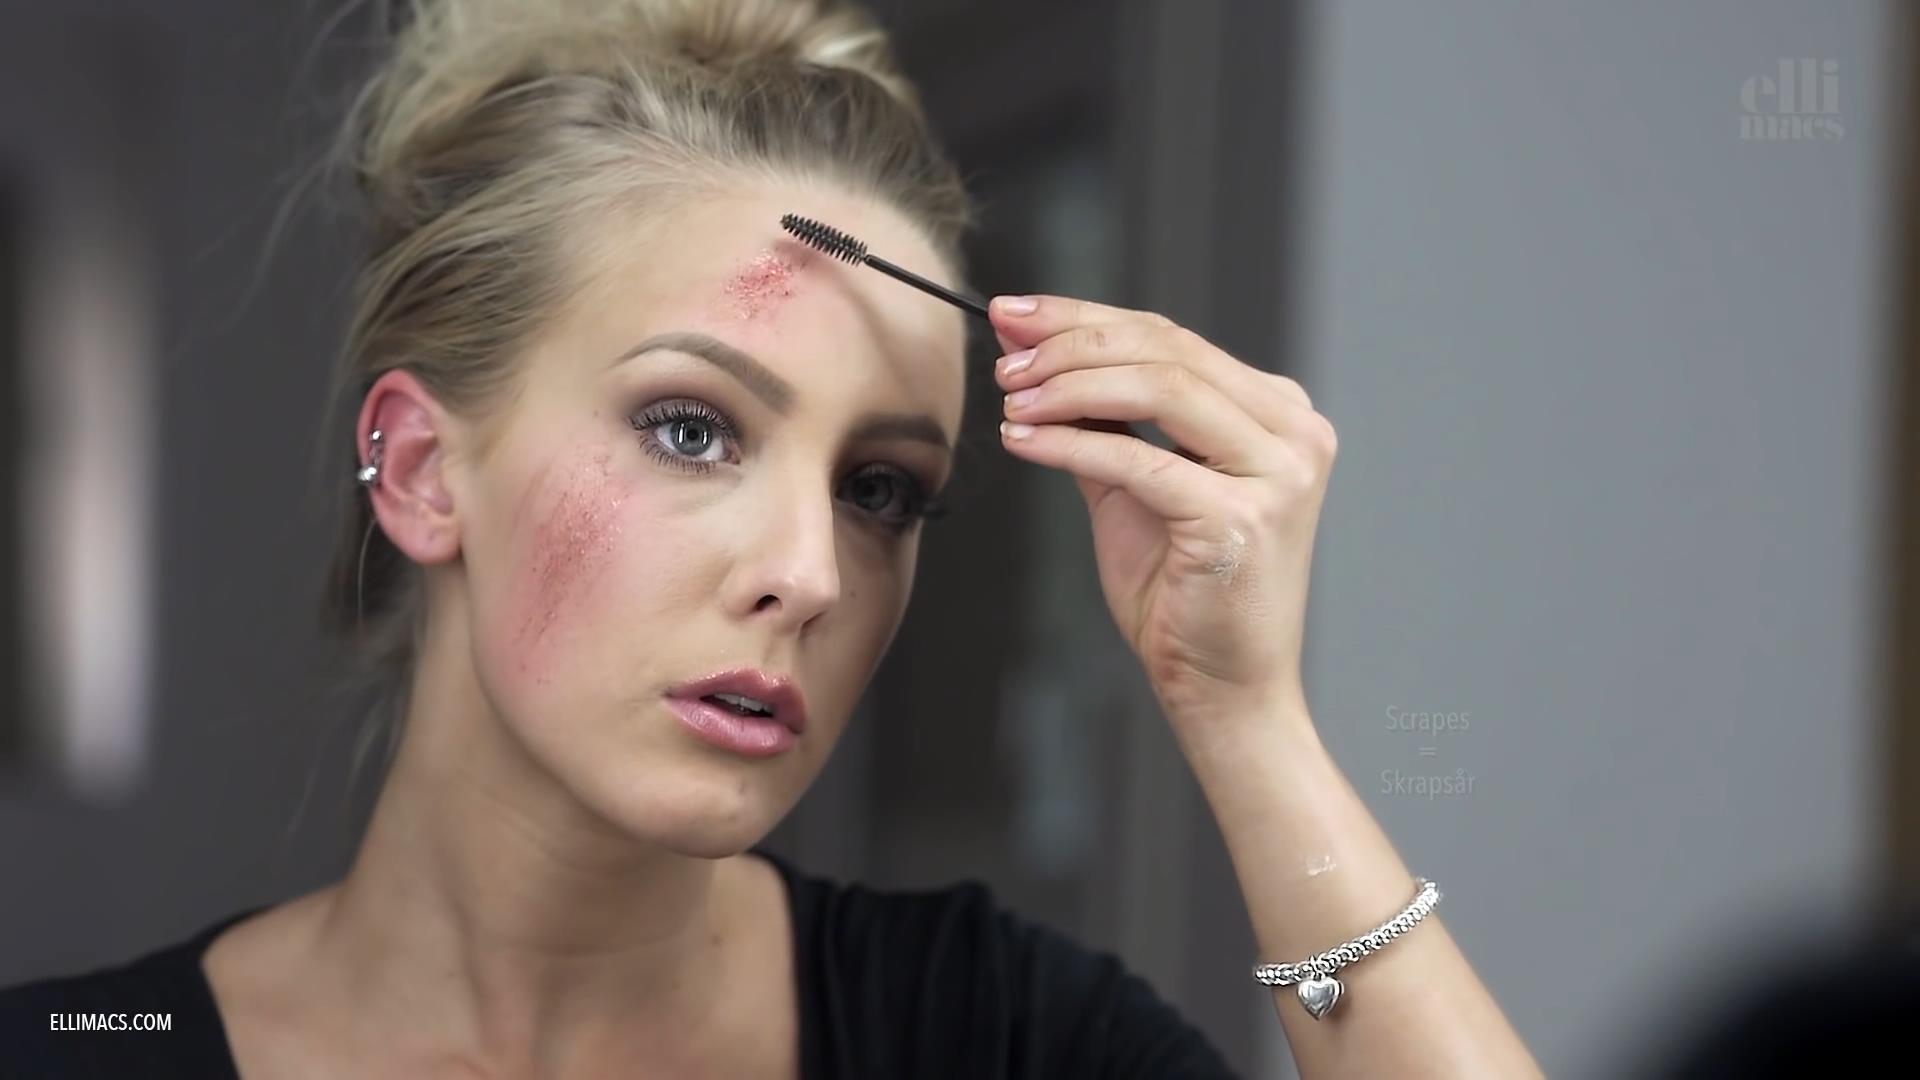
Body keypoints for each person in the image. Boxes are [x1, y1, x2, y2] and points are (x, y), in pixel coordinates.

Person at [0, 0, 1542, 1075]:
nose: (808, 575)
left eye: (880, 490)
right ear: (415, 472)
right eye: (691, 428)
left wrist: (1249, 713)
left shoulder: (997, 1034)